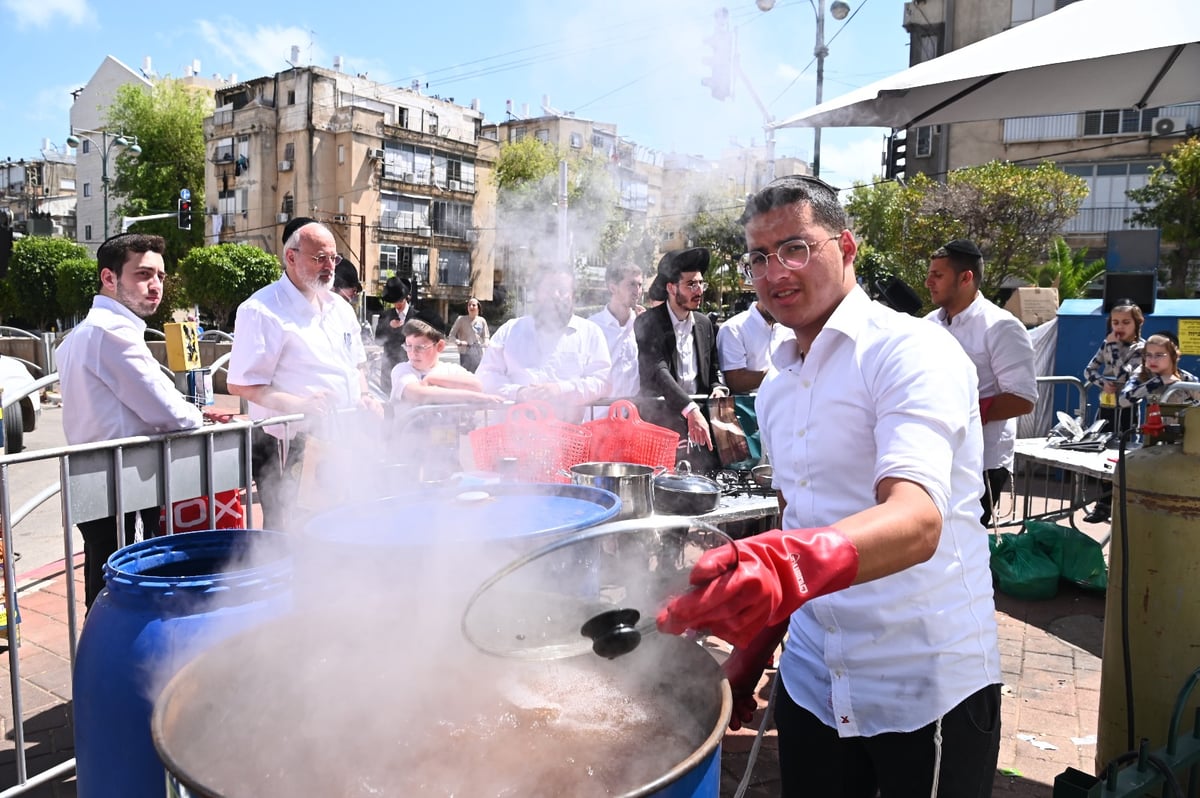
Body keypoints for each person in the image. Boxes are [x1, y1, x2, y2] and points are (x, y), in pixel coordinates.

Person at [658, 175, 1001, 798]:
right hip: (814, 680)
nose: (774, 271)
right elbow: (799, 523)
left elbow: (917, 519)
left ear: (845, 247)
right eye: (758, 257)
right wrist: (755, 650)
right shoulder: (781, 384)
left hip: (920, 684)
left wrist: (781, 565)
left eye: (794, 248)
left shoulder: (911, 351)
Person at [55, 232, 204, 610]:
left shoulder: (80, 336)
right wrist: (197, 415)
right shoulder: (112, 333)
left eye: (160, 275)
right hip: (124, 490)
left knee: (105, 589)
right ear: (109, 278)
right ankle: (119, 666)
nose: (155, 286)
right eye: (142, 274)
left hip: (104, 486)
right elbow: (169, 412)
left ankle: (102, 661)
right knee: (130, 593)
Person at [227, 218, 382, 531]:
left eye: (333, 258)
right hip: (287, 443)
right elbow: (242, 384)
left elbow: (356, 365)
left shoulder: (340, 307)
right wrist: (298, 404)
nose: (329, 266)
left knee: (344, 521)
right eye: (319, 258)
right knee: (289, 529)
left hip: (342, 435)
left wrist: (365, 395)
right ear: (291, 257)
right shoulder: (261, 309)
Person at [925, 239, 1038, 527]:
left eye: (937, 275)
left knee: (963, 542)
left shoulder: (1001, 326)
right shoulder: (928, 324)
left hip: (982, 461)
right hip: (934, 454)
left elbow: (1022, 398)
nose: (928, 282)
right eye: (930, 274)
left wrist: (962, 413)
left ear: (966, 278)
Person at [476, 264, 611, 418]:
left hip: (572, 435)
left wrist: (561, 390)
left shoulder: (590, 333)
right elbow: (485, 376)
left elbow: (602, 381)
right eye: (548, 289)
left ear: (573, 296)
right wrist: (519, 393)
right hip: (515, 434)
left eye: (562, 289)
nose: (554, 295)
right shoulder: (510, 331)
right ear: (537, 293)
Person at [635, 248, 726, 471]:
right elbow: (658, 371)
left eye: (701, 284)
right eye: (691, 284)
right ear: (671, 287)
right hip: (662, 423)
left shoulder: (705, 325)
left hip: (700, 427)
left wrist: (719, 388)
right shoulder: (648, 322)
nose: (699, 291)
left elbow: (714, 371)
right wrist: (690, 409)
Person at [1082, 300, 1145, 522]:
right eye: (1115, 322)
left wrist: (1114, 349)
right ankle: (1103, 502)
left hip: (1128, 408)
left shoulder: (1142, 349)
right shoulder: (1106, 344)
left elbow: (1125, 375)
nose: (1119, 327)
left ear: (1137, 324)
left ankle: (1124, 500)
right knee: (1103, 449)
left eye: (1125, 322)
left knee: (1125, 452)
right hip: (1107, 405)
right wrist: (1101, 382)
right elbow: (1089, 370)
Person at [389, 319, 502, 409]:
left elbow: (477, 385)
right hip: (410, 436)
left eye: (420, 347)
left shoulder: (451, 370)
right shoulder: (403, 370)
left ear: (440, 346)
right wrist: (474, 397)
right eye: (408, 346)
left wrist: (433, 379)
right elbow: (418, 394)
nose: (413, 352)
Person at [588, 263, 645, 399]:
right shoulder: (593, 327)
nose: (637, 291)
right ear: (613, 288)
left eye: (640, 285)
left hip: (632, 415)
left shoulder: (642, 323)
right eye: (631, 284)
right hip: (599, 413)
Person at [716, 299, 795, 393]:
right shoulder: (733, 328)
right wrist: (783, 373)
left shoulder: (789, 328)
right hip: (748, 405)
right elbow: (735, 381)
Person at [1119, 332, 1200, 409]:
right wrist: (1157, 382)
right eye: (1148, 355)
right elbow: (1123, 401)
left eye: (1159, 355)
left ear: (1173, 356)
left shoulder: (1187, 379)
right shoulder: (1143, 375)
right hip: (1155, 422)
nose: (1152, 360)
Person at [448, 297, 490, 373]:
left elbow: (486, 336)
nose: (471, 307)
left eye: (473, 305)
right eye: (469, 305)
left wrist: (486, 343)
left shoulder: (482, 321)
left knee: (479, 374)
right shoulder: (461, 320)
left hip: (478, 352)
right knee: (466, 375)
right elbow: (451, 336)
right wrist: (459, 342)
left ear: (478, 307)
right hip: (465, 352)